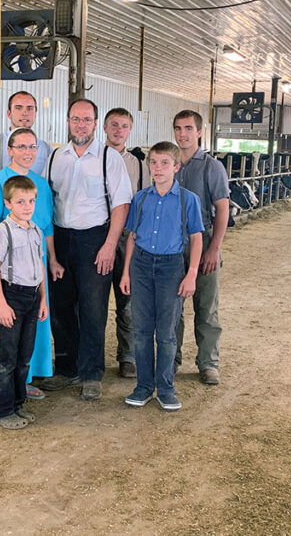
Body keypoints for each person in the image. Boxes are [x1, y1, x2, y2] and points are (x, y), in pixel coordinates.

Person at [38, 99, 131, 400]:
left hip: (95, 240)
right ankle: (67, 368)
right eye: (76, 119)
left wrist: (108, 246)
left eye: (87, 119)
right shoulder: (54, 157)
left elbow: (121, 204)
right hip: (60, 238)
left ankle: (92, 373)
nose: (81, 124)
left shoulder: (108, 158)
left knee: (93, 309)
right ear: (68, 121)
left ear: (95, 123)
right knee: (61, 307)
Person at [0, 128, 60, 399]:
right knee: (0, 322)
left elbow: (47, 227)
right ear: (9, 150)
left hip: (34, 264)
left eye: (32, 147)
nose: (28, 153)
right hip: (5, 268)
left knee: (32, 323)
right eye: (21, 147)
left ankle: (24, 379)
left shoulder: (40, 185)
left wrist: (51, 259)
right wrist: (4, 271)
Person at [119, 141, 204, 411]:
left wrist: (191, 274)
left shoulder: (188, 199)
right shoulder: (141, 198)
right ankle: (143, 386)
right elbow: (132, 236)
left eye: (165, 163)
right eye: (153, 163)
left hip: (171, 266)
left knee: (166, 332)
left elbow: (196, 237)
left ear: (176, 167)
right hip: (142, 265)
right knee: (142, 330)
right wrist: (126, 272)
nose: (158, 168)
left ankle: (165, 388)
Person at [0, 175, 50, 429]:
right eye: (20, 201)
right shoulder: (2, 232)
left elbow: (40, 266)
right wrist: (1, 304)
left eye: (31, 201)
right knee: (5, 358)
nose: (27, 206)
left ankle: (17, 404)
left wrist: (43, 299)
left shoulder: (36, 231)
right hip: (10, 296)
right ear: (8, 203)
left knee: (24, 356)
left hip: (32, 297)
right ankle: (0, 411)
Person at [172, 110, 229, 386]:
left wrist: (214, 249)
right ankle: (172, 360)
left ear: (199, 132)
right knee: (173, 307)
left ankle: (208, 362)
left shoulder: (211, 167)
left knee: (206, 306)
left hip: (203, 240)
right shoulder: (169, 163)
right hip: (171, 245)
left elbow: (222, 209)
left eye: (188, 128)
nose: (182, 134)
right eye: (178, 128)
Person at [104, 107, 151, 379]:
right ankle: (92, 355)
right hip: (100, 234)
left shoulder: (139, 166)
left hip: (128, 237)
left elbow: (143, 202)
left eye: (123, 125)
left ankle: (128, 355)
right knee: (94, 301)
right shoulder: (94, 158)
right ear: (105, 128)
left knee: (128, 300)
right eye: (114, 125)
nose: (118, 130)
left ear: (129, 130)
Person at [0, 91, 52, 176]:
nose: (25, 113)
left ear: (35, 114)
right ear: (9, 113)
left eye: (29, 108)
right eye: (18, 108)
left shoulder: (47, 150)